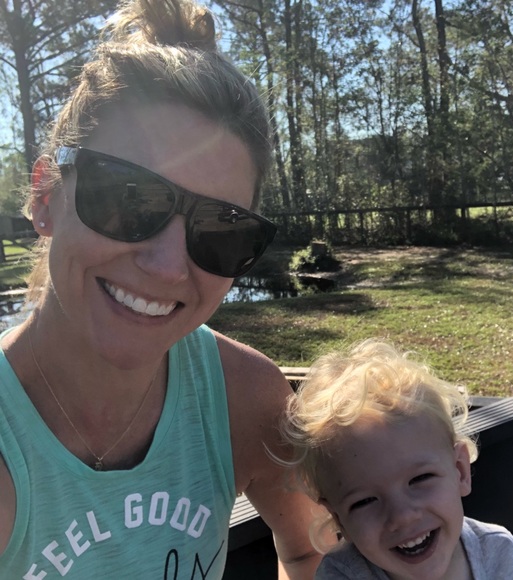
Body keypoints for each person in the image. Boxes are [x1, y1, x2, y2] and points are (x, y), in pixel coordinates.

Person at [0, 0, 326, 577]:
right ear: (46, 197)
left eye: (221, 229)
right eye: (129, 200)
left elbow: (309, 551)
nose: (169, 267)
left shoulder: (244, 399)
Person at [278, 339, 513, 579]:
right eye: (364, 501)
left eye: (419, 479)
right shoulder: (341, 574)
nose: (402, 516)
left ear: (460, 471)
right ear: (338, 519)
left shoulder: (499, 553)